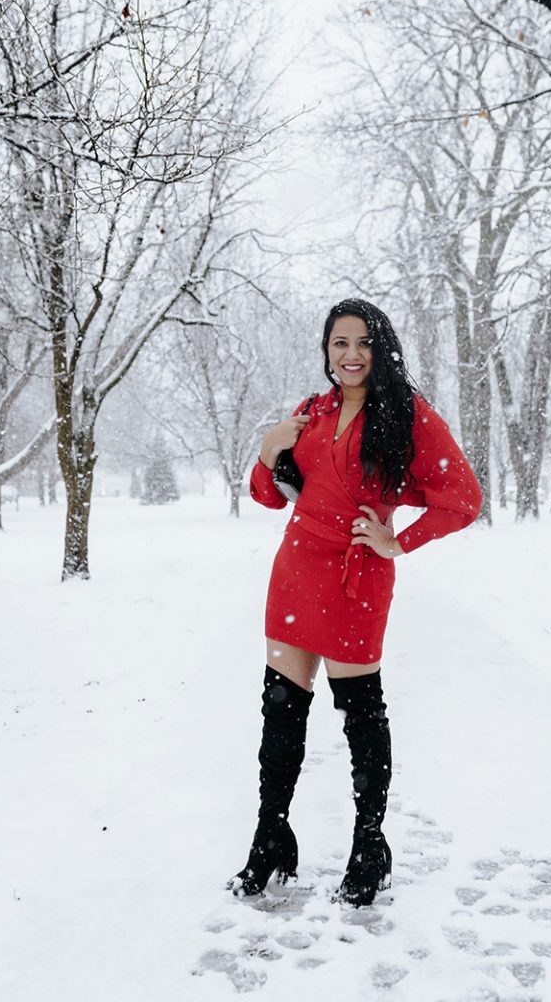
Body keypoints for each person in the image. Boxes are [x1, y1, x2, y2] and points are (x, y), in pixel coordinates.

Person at [228, 298, 482, 907]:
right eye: (339, 343)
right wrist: (268, 450)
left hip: (356, 577)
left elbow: (463, 497)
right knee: (280, 712)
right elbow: (271, 495)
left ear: (382, 349)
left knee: (360, 714)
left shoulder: (408, 415)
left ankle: (369, 844)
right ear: (326, 351)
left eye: (362, 342)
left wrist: (400, 541)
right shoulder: (310, 412)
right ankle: (271, 838)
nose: (350, 355)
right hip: (295, 569)